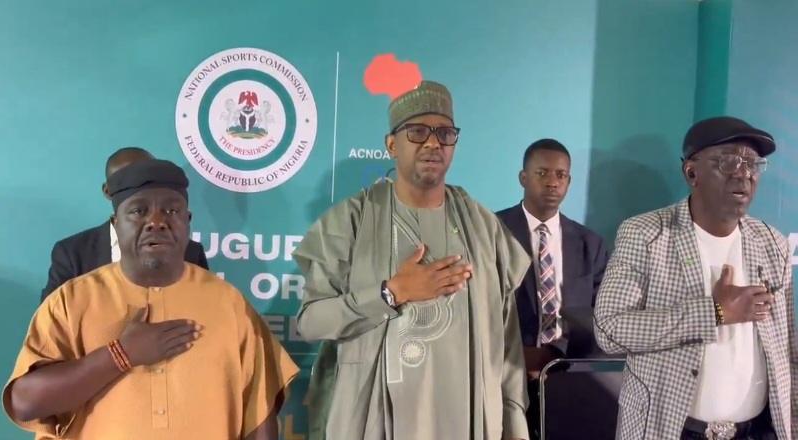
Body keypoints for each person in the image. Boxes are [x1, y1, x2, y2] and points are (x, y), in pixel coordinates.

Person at [293, 80, 530, 440]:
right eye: (418, 131)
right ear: (391, 144)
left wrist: (514, 425)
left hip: (467, 421)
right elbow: (311, 322)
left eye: (444, 133)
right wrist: (390, 293)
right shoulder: (350, 220)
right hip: (373, 423)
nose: (433, 143)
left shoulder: (483, 227)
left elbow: (507, 342)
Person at [4, 159, 297, 439]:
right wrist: (120, 355)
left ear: (187, 221)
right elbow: (24, 403)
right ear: (116, 223)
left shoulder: (229, 304)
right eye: (138, 211)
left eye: (171, 210)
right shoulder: (71, 301)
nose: (156, 222)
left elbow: (260, 413)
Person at [594, 116, 797, 439]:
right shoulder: (645, 235)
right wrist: (715, 312)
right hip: (671, 430)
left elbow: (787, 354)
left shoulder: (772, 243)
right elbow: (609, 329)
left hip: (757, 431)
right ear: (691, 173)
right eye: (730, 161)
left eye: (752, 164)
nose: (744, 173)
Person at [496, 138, 608, 437]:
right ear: (523, 178)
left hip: (568, 374)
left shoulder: (590, 244)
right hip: (505, 374)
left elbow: (602, 315)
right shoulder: (492, 232)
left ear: (569, 181)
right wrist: (519, 356)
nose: (552, 182)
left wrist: (554, 353)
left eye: (561, 175)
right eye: (542, 173)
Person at [40, 147, 208, 301]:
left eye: (148, 177)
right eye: (124, 180)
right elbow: (53, 318)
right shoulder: (72, 252)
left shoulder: (192, 252)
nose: (140, 183)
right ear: (108, 191)